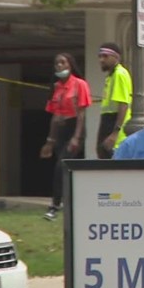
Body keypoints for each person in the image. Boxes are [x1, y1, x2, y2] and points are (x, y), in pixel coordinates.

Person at [42, 53, 92, 221]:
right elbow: (54, 117)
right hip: (60, 131)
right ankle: (71, 204)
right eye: (56, 63)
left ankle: (54, 206)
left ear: (70, 65)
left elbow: (82, 114)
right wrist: (50, 140)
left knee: (60, 166)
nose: (59, 66)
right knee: (64, 170)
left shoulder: (79, 85)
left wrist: (76, 137)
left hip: (74, 129)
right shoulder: (56, 87)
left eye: (63, 62)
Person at [96, 42, 132, 159]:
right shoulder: (111, 76)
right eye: (100, 56)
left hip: (114, 123)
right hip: (107, 120)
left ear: (116, 57)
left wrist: (115, 133)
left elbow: (123, 105)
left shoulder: (119, 74)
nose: (101, 60)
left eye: (105, 56)